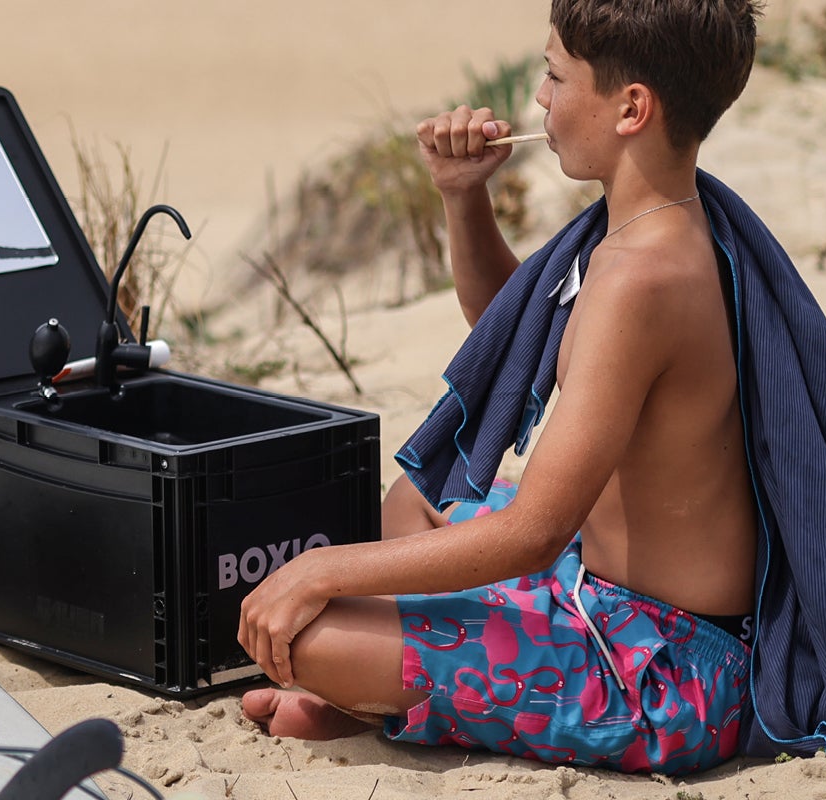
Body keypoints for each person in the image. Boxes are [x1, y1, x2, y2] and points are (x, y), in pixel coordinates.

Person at [231, 0, 767, 776]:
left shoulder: (642, 280)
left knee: (315, 636)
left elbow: (533, 535)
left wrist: (322, 568)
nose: (541, 98)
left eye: (555, 77)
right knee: (415, 501)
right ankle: (378, 700)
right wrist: (463, 194)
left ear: (631, 109)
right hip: (602, 587)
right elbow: (523, 341)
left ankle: (374, 703)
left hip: (664, 669)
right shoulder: (656, 225)